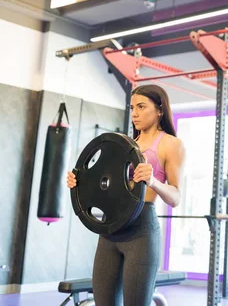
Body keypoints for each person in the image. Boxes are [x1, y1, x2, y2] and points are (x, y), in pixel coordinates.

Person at [67, 84, 186, 306]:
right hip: (110, 229)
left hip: (141, 231)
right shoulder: (123, 144)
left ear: (160, 110)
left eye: (142, 107)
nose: (135, 114)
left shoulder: (171, 145)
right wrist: (80, 183)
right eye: (132, 108)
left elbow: (176, 197)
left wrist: (152, 181)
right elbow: (105, 184)